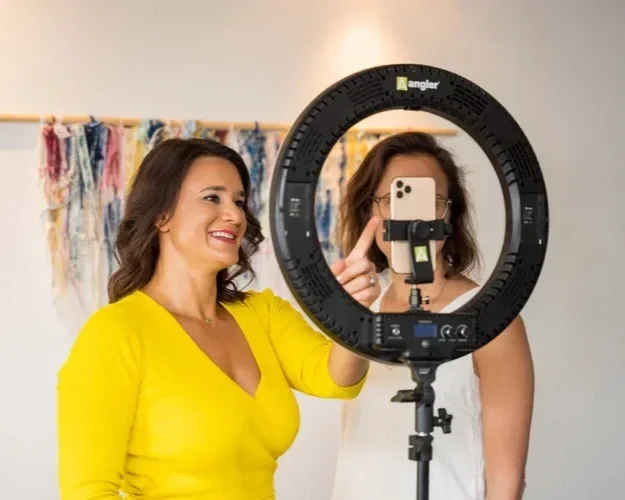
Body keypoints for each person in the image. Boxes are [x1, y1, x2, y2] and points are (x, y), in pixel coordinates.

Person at [56, 138, 382, 500]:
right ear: (162, 215)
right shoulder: (115, 333)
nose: (236, 216)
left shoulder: (263, 313)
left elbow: (337, 379)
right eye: (213, 197)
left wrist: (354, 310)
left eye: (239, 202)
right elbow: (88, 491)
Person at [330, 131, 534, 500]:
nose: (413, 216)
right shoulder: (360, 311)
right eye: (396, 198)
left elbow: (507, 480)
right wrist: (345, 308)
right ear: (369, 212)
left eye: (429, 199)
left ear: (449, 214)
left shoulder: (488, 319)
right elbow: (337, 385)